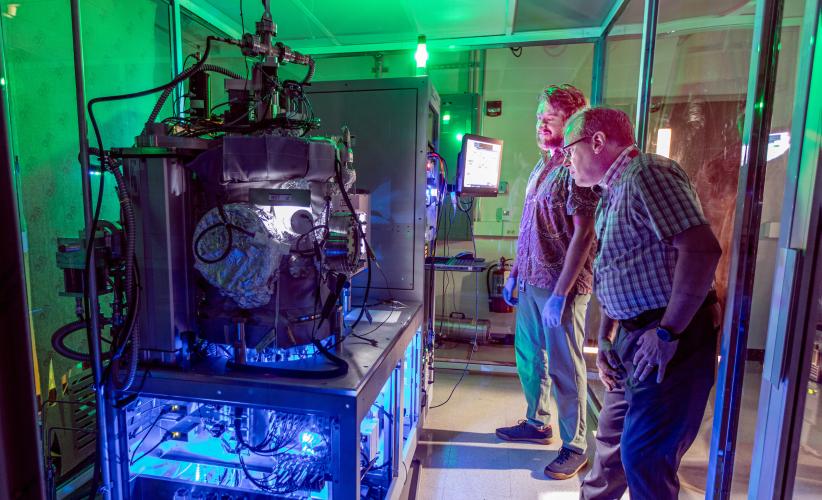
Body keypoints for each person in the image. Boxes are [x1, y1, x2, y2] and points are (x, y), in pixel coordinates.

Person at [563, 107, 723, 499]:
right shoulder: (611, 192)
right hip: (631, 338)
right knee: (612, 445)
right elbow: (615, 269)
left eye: (570, 150)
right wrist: (605, 338)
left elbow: (701, 251)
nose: (567, 160)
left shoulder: (648, 175)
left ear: (597, 141)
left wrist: (668, 332)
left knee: (645, 455)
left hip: (667, 338)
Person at [495, 84, 598, 480]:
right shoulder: (543, 166)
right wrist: (515, 273)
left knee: (565, 367)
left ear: (570, 121)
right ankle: (537, 422)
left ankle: (575, 446)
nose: (539, 124)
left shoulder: (578, 167)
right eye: (538, 117)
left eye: (548, 118)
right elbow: (529, 227)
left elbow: (583, 235)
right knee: (528, 357)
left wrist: (560, 295)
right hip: (532, 281)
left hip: (562, 288)